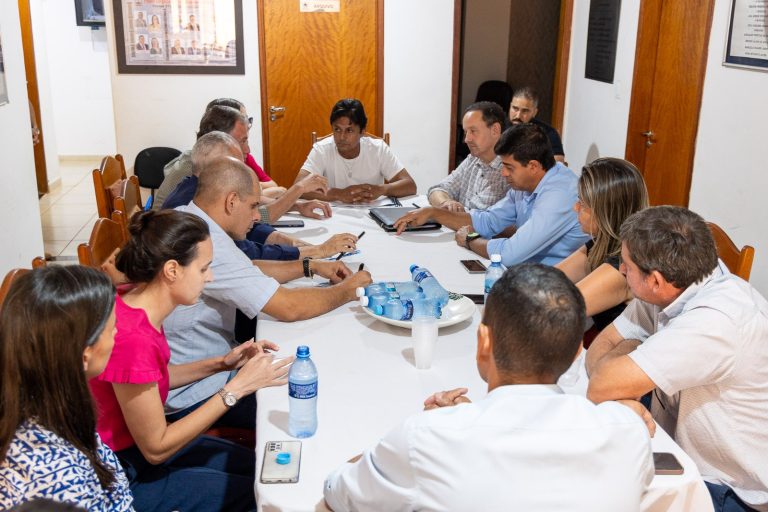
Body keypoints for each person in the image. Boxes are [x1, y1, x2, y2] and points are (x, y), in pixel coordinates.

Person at [324, 264, 654, 511]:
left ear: (483, 342)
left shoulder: (423, 439)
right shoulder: (627, 434)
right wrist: (467, 419)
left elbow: (338, 492)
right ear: (576, 353)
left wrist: (413, 442)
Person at [89, 209, 289, 511]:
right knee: (260, 492)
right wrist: (236, 389)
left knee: (263, 467)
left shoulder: (135, 301)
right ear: (172, 270)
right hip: (122, 472)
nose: (210, 277)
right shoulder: (133, 338)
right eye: (203, 268)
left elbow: (151, 378)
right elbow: (156, 448)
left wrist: (222, 363)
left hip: (135, 451)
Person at [586, 206, 768, 512]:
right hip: (676, 436)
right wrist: (624, 391)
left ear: (655, 280)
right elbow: (599, 350)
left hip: (731, 487)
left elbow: (601, 384)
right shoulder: (676, 283)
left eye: (627, 265)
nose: (621, 270)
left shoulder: (716, 321)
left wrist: (622, 374)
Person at [164, 157, 372, 424]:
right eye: (253, 206)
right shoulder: (205, 241)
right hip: (194, 393)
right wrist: (348, 290)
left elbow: (246, 267)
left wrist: (309, 266)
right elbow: (288, 307)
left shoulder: (189, 217)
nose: (257, 216)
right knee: (319, 390)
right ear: (231, 201)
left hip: (204, 368)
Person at [0, 266, 133, 511]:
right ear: (84, 356)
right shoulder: (54, 478)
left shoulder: (45, 407)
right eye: (112, 327)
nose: (117, 332)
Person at [394, 124, 589, 266]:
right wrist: (433, 213)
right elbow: (488, 221)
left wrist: (471, 240)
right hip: (526, 272)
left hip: (553, 285)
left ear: (533, 166)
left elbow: (510, 254)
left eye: (509, 167)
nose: (503, 173)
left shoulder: (559, 196)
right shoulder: (526, 183)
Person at [162, 130, 354, 261]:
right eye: (237, 166)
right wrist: (315, 252)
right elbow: (246, 253)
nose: (248, 151)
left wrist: (295, 244)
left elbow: (251, 227)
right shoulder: (189, 209)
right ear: (219, 169)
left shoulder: (202, 189)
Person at [555, 157, 648, 330]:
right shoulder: (602, 244)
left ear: (606, 212)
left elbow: (558, 311)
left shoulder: (624, 266)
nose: (575, 208)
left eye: (583, 204)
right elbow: (550, 277)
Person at [294, 98, 417, 203]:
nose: (342, 137)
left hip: (371, 213)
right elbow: (297, 187)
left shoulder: (378, 149)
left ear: (362, 131)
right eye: (337, 129)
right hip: (332, 215)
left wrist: (381, 189)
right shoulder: (322, 149)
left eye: (349, 130)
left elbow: (410, 185)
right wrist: (338, 194)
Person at [426, 101, 509, 212]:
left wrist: (451, 213)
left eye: (473, 131)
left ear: (495, 130)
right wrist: (446, 203)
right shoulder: (473, 159)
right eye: (466, 132)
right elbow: (437, 189)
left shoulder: (509, 170)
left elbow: (484, 218)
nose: (467, 139)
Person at [206, 97, 287, 199]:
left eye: (247, 119)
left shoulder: (245, 156)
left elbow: (273, 185)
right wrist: (255, 191)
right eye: (243, 119)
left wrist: (248, 188)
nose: (247, 125)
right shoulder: (208, 162)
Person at [509, 86, 566, 163]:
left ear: (534, 112)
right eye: (515, 108)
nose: (518, 115)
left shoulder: (548, 132)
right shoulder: (499, 126)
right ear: (510, 106)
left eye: (525, 111)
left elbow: (558, 164)